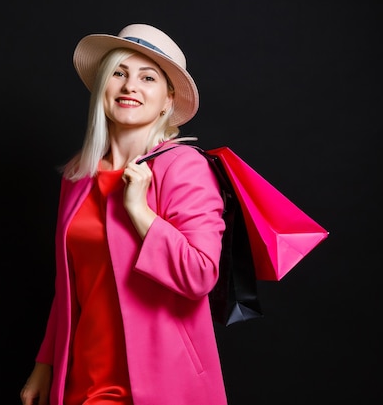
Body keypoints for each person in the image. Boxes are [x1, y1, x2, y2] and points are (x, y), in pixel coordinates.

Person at [20, 23, 228, 405]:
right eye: (119, 73)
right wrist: (44, 365)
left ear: (167, 100)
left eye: (147, 77)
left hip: (160, 382)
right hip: (83, 377)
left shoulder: (184, 167)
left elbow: (201, 274)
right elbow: (70, 285)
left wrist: (139, 211)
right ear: (103, 88)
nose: (131, 86)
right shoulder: (78, 174)